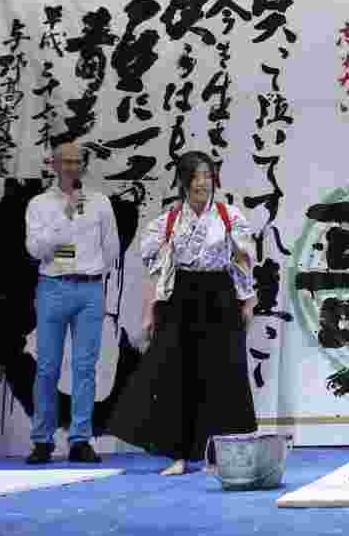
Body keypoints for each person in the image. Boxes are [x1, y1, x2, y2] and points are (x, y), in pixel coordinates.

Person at [107, 151, 258, 475]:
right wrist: (150, 314)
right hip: (181, 297)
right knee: (176, 375)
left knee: (222, 376)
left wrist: (247, 302)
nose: (202, 182)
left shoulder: (229, 216)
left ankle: (216, 456)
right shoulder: (169, 221)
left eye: (207, 175)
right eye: (196, 176)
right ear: (184, 181)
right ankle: (178, 454)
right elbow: (157, 271)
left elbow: (243, 261)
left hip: (220, 295)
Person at [24, 139, 121, 464]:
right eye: (65, 162)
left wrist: (89, 267)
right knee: (47, 367)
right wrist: (64, 218)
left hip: (89, 290)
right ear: (53, 165)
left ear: (84, 165)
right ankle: (42, 439)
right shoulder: (39, 204)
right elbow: (36, 250)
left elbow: (111, 248)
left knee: (84, 368)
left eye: (77, 161)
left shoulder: (100, 202)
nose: (72, 167)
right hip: (52, 287)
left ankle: (80, 439)